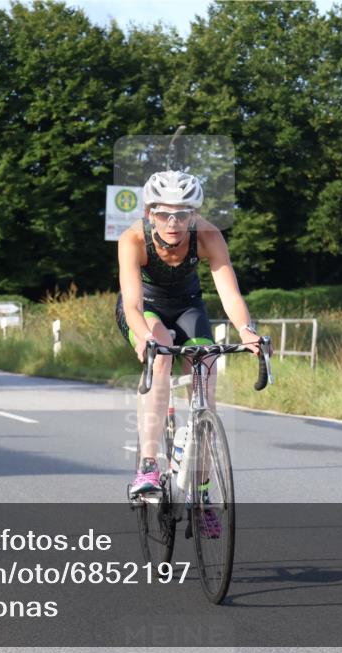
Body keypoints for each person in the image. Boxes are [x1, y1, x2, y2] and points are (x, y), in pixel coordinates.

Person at [116, 170, 261, 533]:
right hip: (144, 309)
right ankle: (148, 466)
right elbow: (132, 306)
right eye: (164, 213)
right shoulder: (133, 239)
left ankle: (202, 494)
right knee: (162, 354)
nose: (173, 222)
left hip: (188, 306)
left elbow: (230, 295)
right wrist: (145, 339)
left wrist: (247, 331)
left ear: (194, 214)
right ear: (150, 213)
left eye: (182, 214)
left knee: (206, 373)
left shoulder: (209, 236)